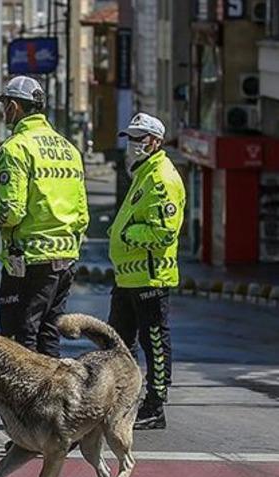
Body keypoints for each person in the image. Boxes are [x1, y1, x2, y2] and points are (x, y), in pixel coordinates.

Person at [0, 76, 89, 358]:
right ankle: (54, 399)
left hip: (27, 262)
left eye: (5, 108)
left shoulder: (15, 149)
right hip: (65, 261)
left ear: (14, 107)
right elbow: (82, 215)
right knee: (49, 334)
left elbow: (10, 212)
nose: (4, 114)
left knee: (19, 340)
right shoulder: (69, 150)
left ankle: (27, 400)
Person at [108, 113, 185, 430]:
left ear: (155, 141)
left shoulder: (162, 178)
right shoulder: (143, 174)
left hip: (150, 276)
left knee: (153, 340)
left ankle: (155, 406)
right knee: (117, 341)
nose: (132, 144)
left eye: (139, 138)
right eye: (130, 138)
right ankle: (118, 401)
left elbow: (165, 232)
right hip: (128, 277)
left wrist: (126, 235)